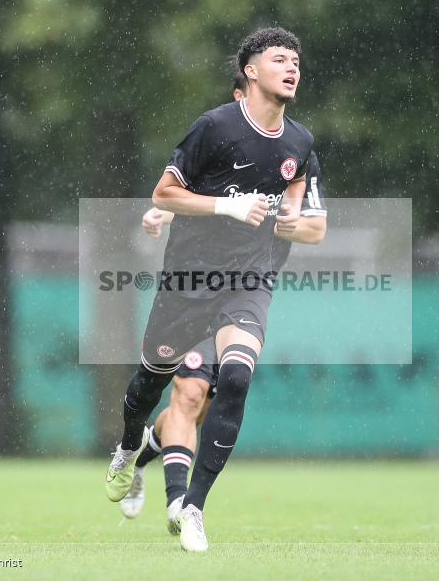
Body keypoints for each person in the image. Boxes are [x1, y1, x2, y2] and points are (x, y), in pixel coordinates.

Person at [103, 28, 313, 552]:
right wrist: (226, 206)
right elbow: (164, 192)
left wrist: (290, 216)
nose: (291, 67)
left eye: (296, 61)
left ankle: (192, 507)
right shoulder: (214, 127)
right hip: (188, 281)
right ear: (250, 71)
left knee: (236, 375)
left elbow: (296, 200)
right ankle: (130, 449)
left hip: (248, 281)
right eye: (279, 59)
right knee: (147, 388)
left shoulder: (300, 143)